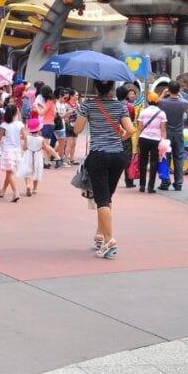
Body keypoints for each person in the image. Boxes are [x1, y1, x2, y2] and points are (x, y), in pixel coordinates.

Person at [74, 79, 135, 259]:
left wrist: (82, 113)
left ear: (95, 87)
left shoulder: (88, 105)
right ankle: (100, 234)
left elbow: (78, 129)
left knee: (101, 198)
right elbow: (131, 130)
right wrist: (119, 139)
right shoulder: (120, 107)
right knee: (106, 197)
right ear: (113, 88)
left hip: (98, 155)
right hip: (118, 156)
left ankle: (109, 240)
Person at [157, 81, 188, 191]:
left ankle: (165, 182)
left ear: (168, 90)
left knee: (165, 156)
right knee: (179, 157)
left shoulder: (164, 103)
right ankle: (178, 183)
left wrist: (163, 93)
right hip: (179, 132)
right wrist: (178, 94)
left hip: (167, 132)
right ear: (179, 90)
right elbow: (185, 103)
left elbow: (157, 102)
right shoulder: (183, 103)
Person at [136, 92, 167, 193]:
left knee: (143, 162)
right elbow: (163, 129)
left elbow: (139, 128)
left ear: (148, 101)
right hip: (156, 140)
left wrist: (137, 141)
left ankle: (141, 185)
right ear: (158, 102)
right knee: (154, 163)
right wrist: (164, 142)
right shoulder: (162, 113)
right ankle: (150, 187)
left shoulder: (143, 112)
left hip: (143, 138)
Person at [0, 105, 23, 201]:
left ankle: (16, 192)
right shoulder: (19, 124)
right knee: (10, 171)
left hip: (8, 151)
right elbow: (24, 137)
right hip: (17, 151)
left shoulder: (4, 125)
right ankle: (3, 190)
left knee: (9, 171)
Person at [17, 116, 45, 197]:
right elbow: (45, 147)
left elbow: (24, 148)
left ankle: (28, 185)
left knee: (27, 172)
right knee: (37, 171)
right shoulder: (41, 139)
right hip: (38, 156)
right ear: (39, 129)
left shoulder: (27, 138)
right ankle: (35, 188)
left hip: (28, 156)